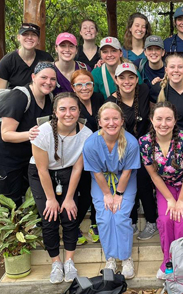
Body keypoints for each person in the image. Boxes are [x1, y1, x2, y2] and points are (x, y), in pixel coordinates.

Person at [28, 92, 92, 284]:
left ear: (79, 110)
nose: (68, 113)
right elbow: (41, 170)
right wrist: (51, 198)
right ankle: (56, 262)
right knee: (50, 216)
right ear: (55, 112)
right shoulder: (43, 132)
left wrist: (69, 197)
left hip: (69, 173)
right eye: (62, 109)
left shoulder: (86, 134)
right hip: (43, 175)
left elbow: (78, 167)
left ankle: (69, 261)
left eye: (73, 108)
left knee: (70, 214)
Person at [139, 101, 183, 279]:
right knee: (166, 219)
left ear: (175, 121)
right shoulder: (145, 143)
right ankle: (168, 260)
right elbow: (154, 176)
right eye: (159, 119)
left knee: (182, 219)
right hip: (165, 186)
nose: (163, 123)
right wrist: (170, 199)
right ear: (152, 120)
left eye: (168, 119)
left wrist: (181, 201)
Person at [0, 62, 57, 208]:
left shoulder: (49, 98)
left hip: (23, 152)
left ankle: (26, 225)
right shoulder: (20, 96)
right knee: (10, 196)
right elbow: (6, 134)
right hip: (0, 150)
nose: (48, 82)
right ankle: (12, 227)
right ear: (33, 77)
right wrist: (30, 134)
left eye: (53, 79)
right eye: (44, 77)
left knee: (27, 191)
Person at [83, 102, 141, 279]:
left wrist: (119, 195)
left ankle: (125, 257)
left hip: (124, 181)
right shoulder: (91, 143)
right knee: (104, 216)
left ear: (122, 120)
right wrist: (108, 195)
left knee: (121, 215)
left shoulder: (130, 142)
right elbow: (96, 172)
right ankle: (110, 258)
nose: (111, 123)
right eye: (106, 119)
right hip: (101, 182)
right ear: (99, 122)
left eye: (115, 118)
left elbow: (127, 172)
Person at [107, 63, 158, 240]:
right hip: (123, 149)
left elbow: (162, 94)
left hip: (145, 147)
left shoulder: (144, 90)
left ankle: (152, 221)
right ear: (116, 79)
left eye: (131, 77)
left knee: (144, 183)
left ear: (137, 79)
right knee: (128, 184)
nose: (127, 81)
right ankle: (132, 221)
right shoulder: (111, 102)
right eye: (122, 77)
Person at [70, 69, 105, 245]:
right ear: (73, 87)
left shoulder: (99, 99)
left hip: (100, 154)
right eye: (80, 85)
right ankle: (73, 226)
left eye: (88, 84)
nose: (85, 88)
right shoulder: (71, 105)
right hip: (79, 155)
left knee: (97, 191)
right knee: (84, 193)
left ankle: (94, 224)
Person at [0, 23, 53, 89]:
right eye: (25, 34)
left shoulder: (46, 58)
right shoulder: (7, 61)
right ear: (18, 37)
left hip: (42, 98)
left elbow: (53, 82)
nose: (29, 37)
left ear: (38, 40)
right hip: (15, 98)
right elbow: (0, 93)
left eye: (33, 35)